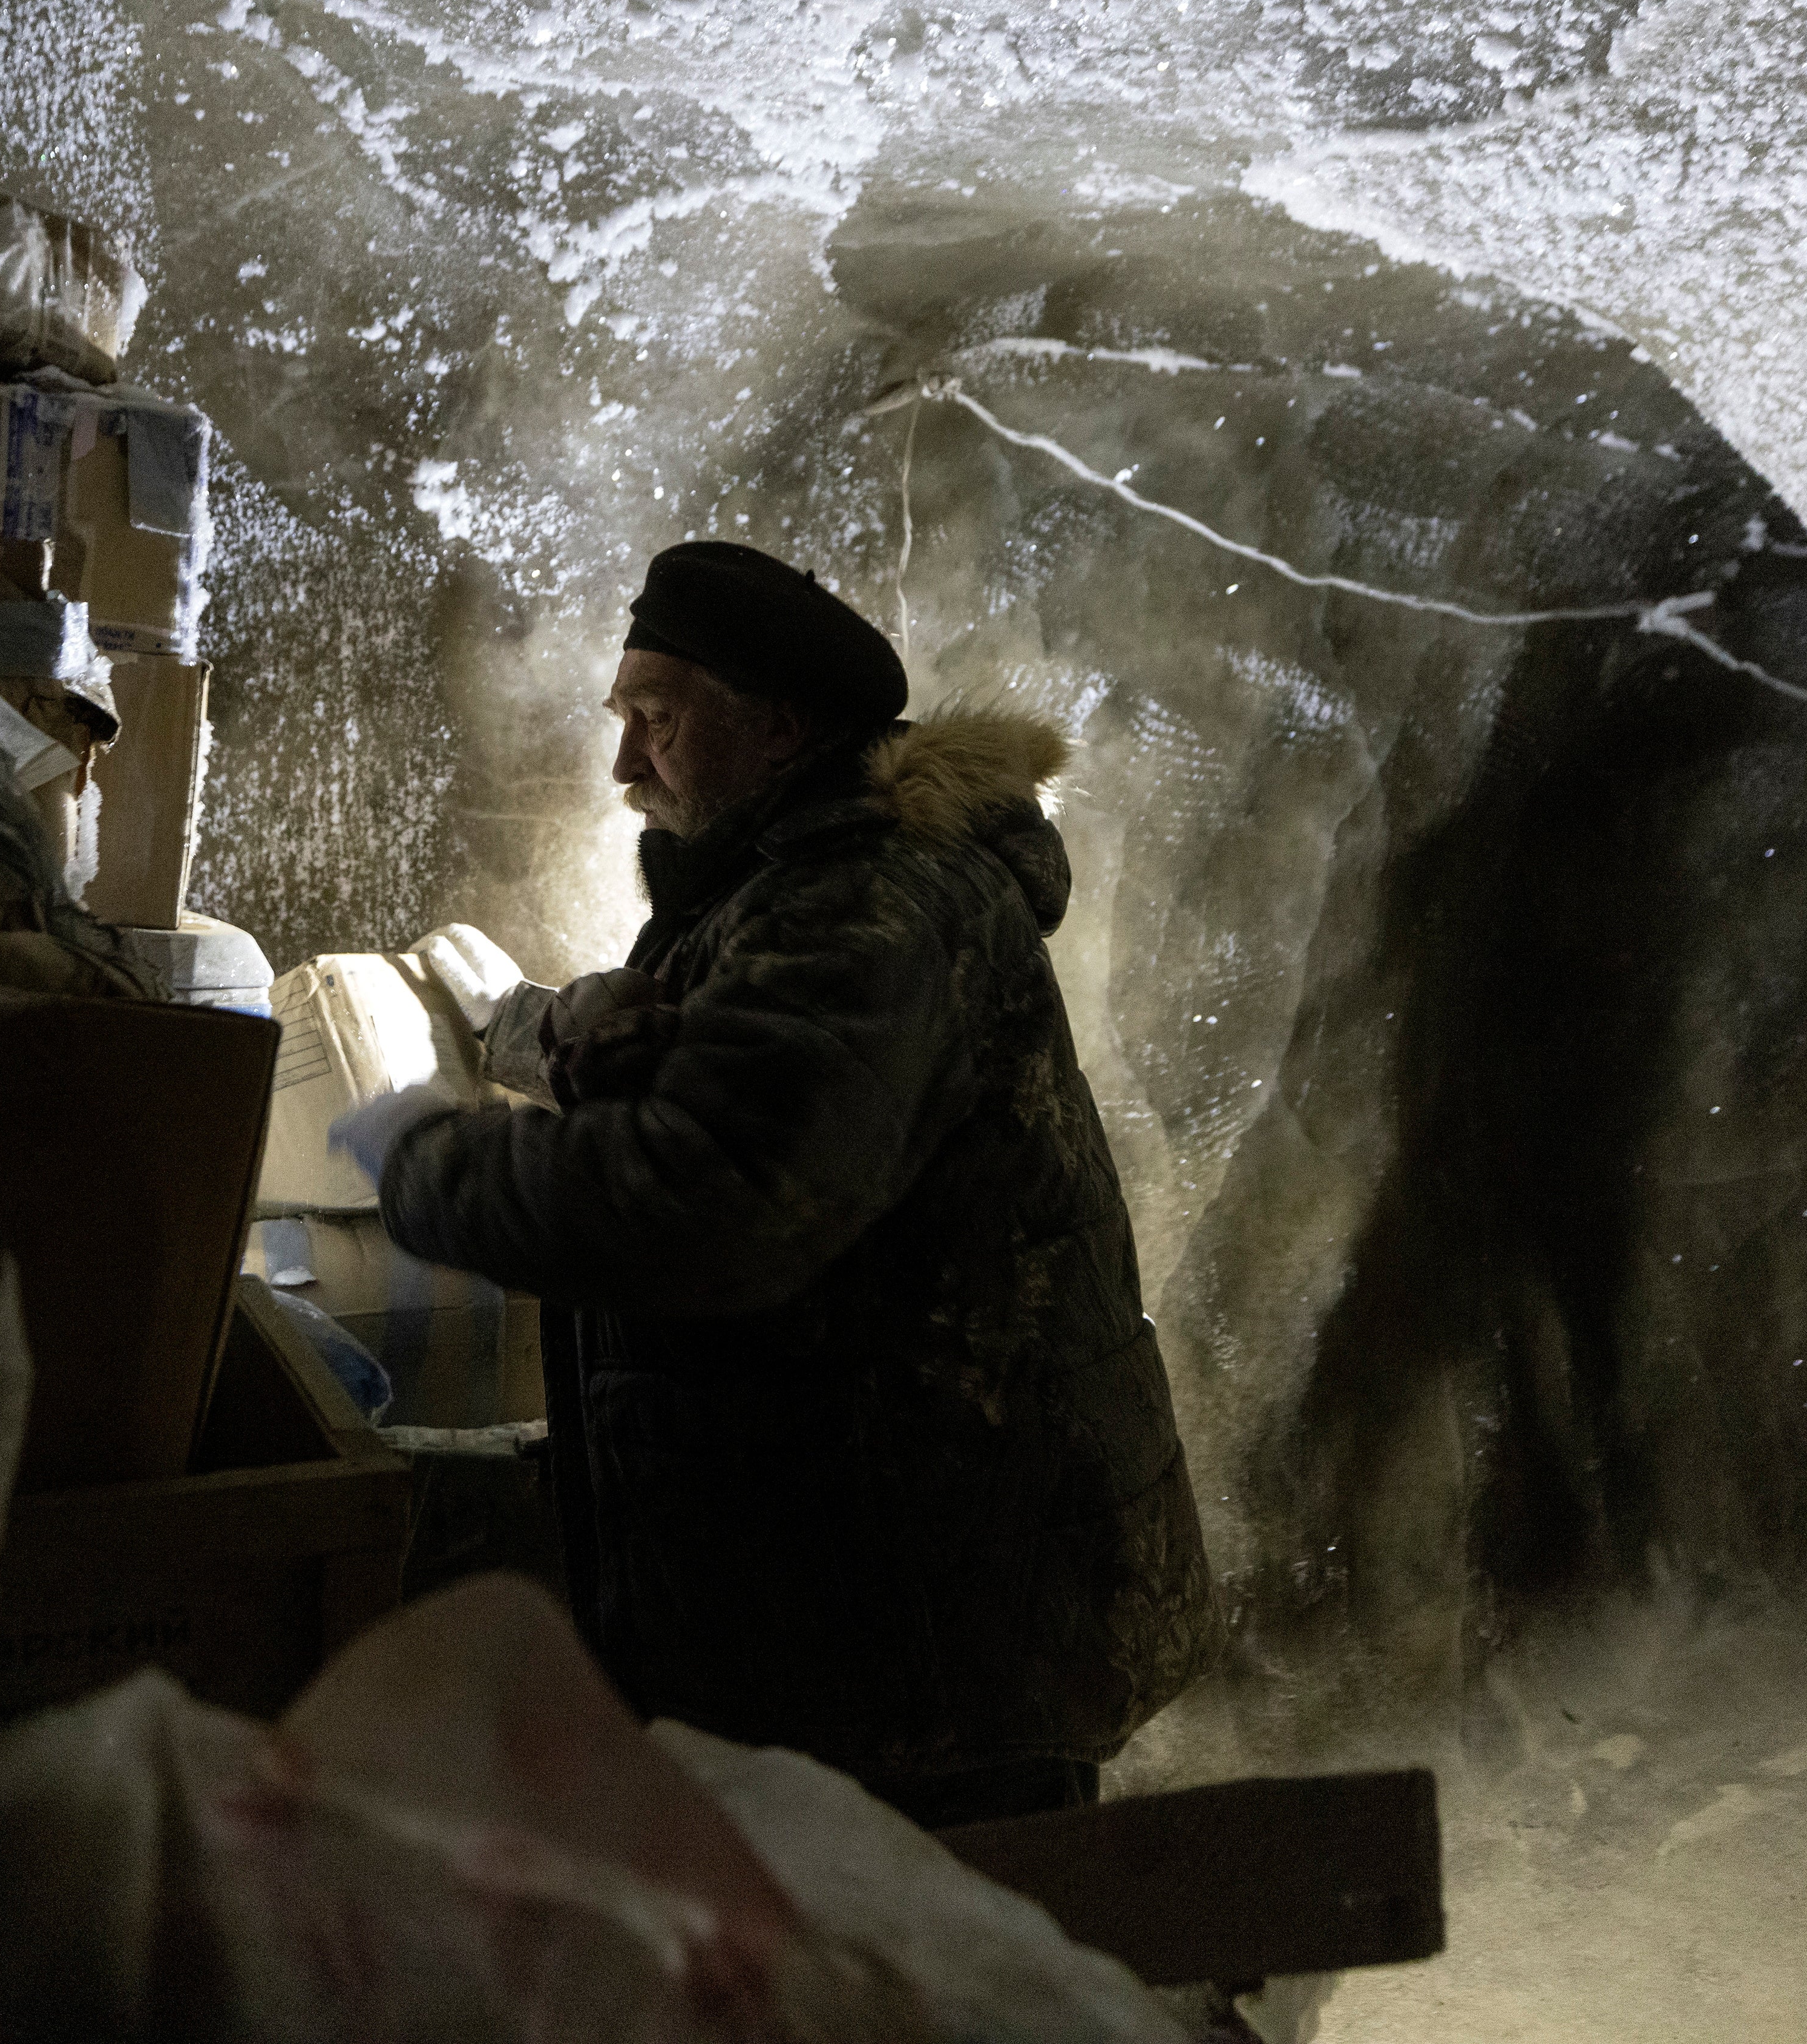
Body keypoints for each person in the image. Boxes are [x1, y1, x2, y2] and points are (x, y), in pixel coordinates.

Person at [335, 539, 1216, 1827]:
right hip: (877, 1603)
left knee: (926, 1993)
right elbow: (747, 1055)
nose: (626, 764)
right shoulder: (790, 882)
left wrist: (427, 1162)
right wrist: (572, 1032)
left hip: (938, 1633)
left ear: (782, 724)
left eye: (660, 720)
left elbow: (716, 1198)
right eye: (623, 719)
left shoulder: (876, 899)